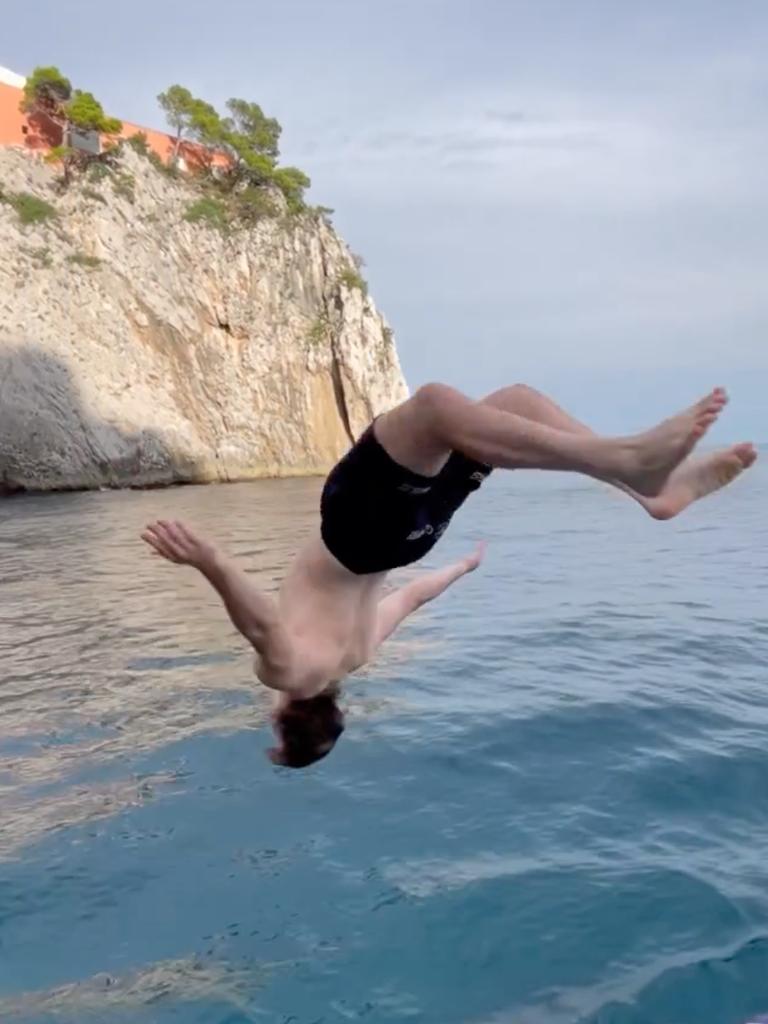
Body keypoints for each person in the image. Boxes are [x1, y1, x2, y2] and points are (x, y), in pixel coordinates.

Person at [141, 382, 755, 768]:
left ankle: (648, 488)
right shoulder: (290, 673)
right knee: (433, 407)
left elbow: (411, 594)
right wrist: (209, 561)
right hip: (356, 533)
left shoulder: (356, 654)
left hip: (411, 538)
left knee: (513, 405)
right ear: (281, 722)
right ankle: (631, 465)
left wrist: (462, 566)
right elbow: (261, 623)